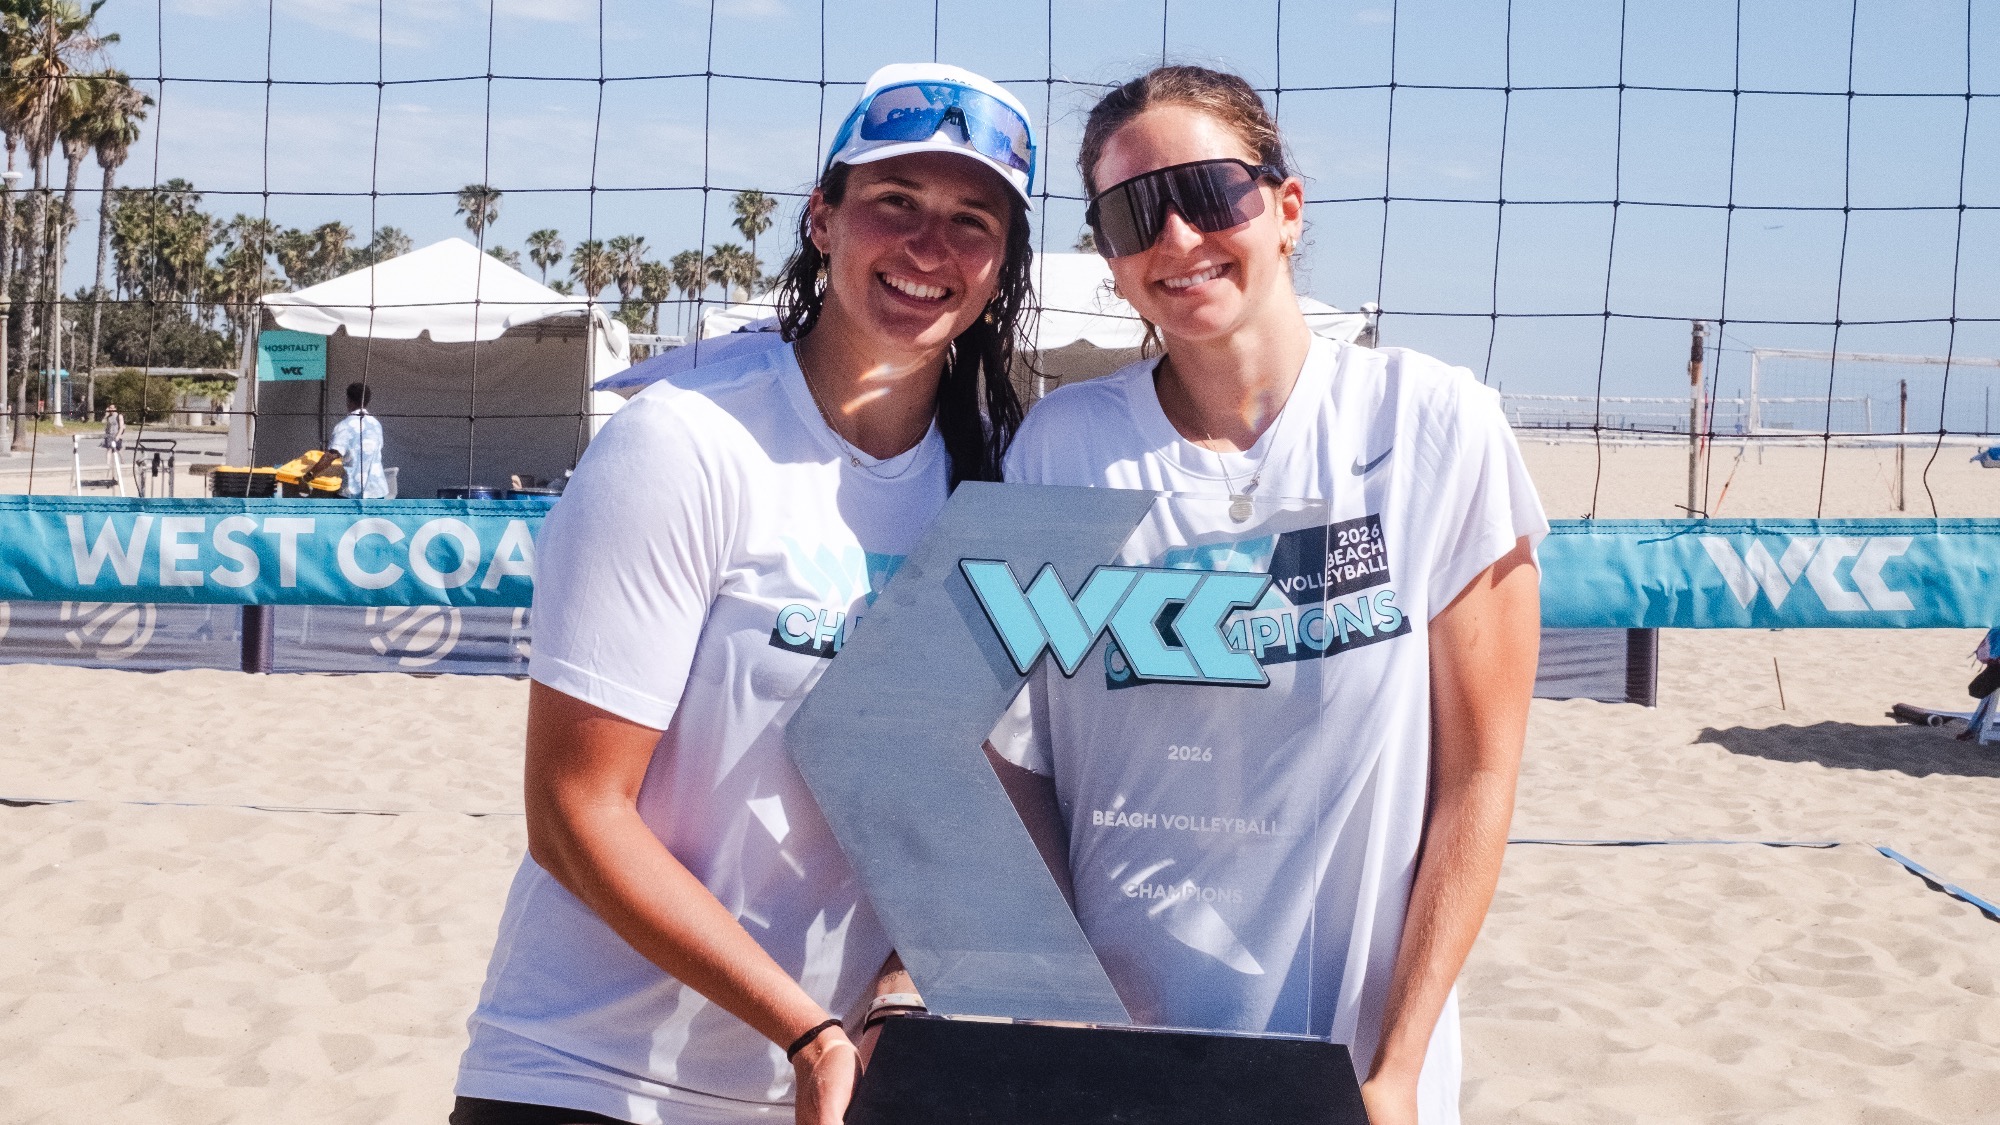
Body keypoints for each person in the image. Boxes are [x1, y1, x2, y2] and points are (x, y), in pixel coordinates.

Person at [451, 63, 1039, 1125]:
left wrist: (898, 996)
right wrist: (805, 1029)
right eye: (893, 203)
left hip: (829, 1091)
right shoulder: (682, 442)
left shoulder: (995, 480)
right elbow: (572, 813)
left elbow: (969, 801)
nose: (926, 248)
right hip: (586, 1079)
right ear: (822, 219)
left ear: (1000, 267)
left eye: (970, 221)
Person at [992, 66, 1546, 1125]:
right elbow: (994, 758)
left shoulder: (1431, 424)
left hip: (1350, 1070)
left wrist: (1396, 1065)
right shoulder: (1061, 452)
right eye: (1129, 214)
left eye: (1208, 194)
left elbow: (1478, 778)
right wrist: (1049, 996)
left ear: (1284, 210)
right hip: (1118, 1065)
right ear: (1108, 261)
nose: (1175, 237)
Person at [303, 381, 388, 498]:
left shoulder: (345, 426)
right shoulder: (376, 424)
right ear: (368, 401)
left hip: (353, 491)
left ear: (349, 401)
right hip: (377, 490)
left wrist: (309, 476)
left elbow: (330, 457)